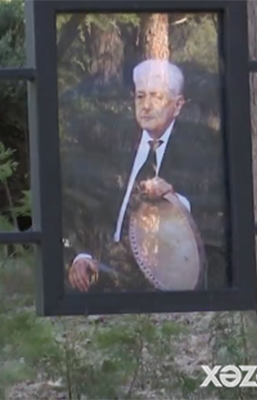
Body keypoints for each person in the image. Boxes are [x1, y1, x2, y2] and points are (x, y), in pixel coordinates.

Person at [62, 58, 228, 293]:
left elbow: (215, 218)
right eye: (140, 96)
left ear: (177, 105)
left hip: (163, 278)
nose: (146, 106)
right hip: (103, 272)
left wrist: (174, 201)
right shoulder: (114, 142)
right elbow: (88, 207)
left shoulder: (199, 150)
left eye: (156, 97)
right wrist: (81, 255)